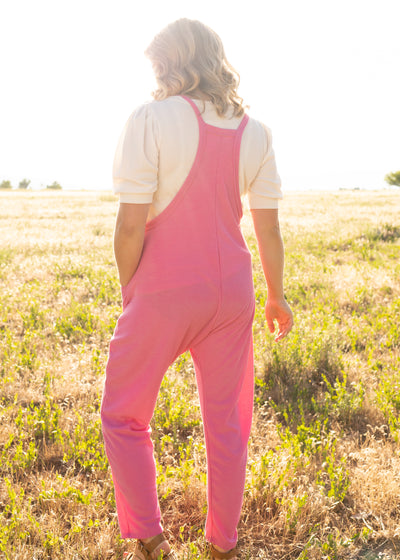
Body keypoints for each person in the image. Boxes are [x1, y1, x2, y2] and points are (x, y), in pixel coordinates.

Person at [101, 18, 293, 560]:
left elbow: (130, 226)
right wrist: (276, 295)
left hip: (163, 290)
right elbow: (269, 227)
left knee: (122, 412)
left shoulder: (149, 120)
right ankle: (223, 545)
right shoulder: (256, 132)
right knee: (228, 422)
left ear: (168, 63)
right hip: (232, 291)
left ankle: (151, 538)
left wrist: (131, 290)